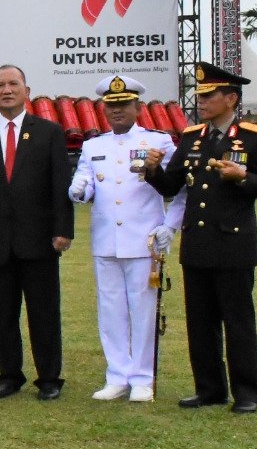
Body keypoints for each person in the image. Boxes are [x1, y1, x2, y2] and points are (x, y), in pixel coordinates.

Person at [144, 62, 257, 414]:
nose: (201, 101)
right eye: (200, 96)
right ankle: (209, 389)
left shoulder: (254, 137)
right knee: (200, 323)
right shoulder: (192, 137)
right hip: (197, 244)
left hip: (233, 245)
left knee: (238, 322)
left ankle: (246, 393)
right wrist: (152, 170)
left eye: (209, 96)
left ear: (230, 98)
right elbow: (171, 186)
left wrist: (243, 177)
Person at [0, 64, 74, 401]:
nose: (6, 90)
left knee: (44, 313)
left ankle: (49, 378)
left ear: (27, 91)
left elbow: (60, 185)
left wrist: (63, 230)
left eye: (13, 84)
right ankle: (9, 375)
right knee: (5, 313)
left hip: (40, 238)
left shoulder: (50, 132)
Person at [71, 74, 184, 403]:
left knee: (143, 311)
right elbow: (85, 181)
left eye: (123, 104)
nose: (117, 110)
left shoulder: (159, 142)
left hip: (143, 240)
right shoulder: (93, 146)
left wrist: (170, 225)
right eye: (111, 105)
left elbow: (180, 189)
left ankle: (142, 377)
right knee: (110, 311)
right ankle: (117, 375)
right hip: (107, 240)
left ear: (138, 107)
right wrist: (78, 190)